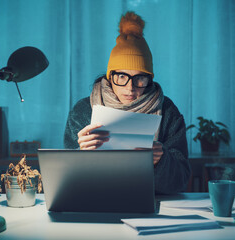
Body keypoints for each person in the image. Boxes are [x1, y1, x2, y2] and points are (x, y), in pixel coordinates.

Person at [64, 11, 191, 194]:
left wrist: (161, 160)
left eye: (140, 78)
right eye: (122, 76)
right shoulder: (83, 110)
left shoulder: (167, 110)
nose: (130, 88)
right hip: (96, 201)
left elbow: (181, 181)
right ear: (110, 76)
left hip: (152, 202)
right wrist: (80, 153)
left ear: (150, 80)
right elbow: (69, 181)